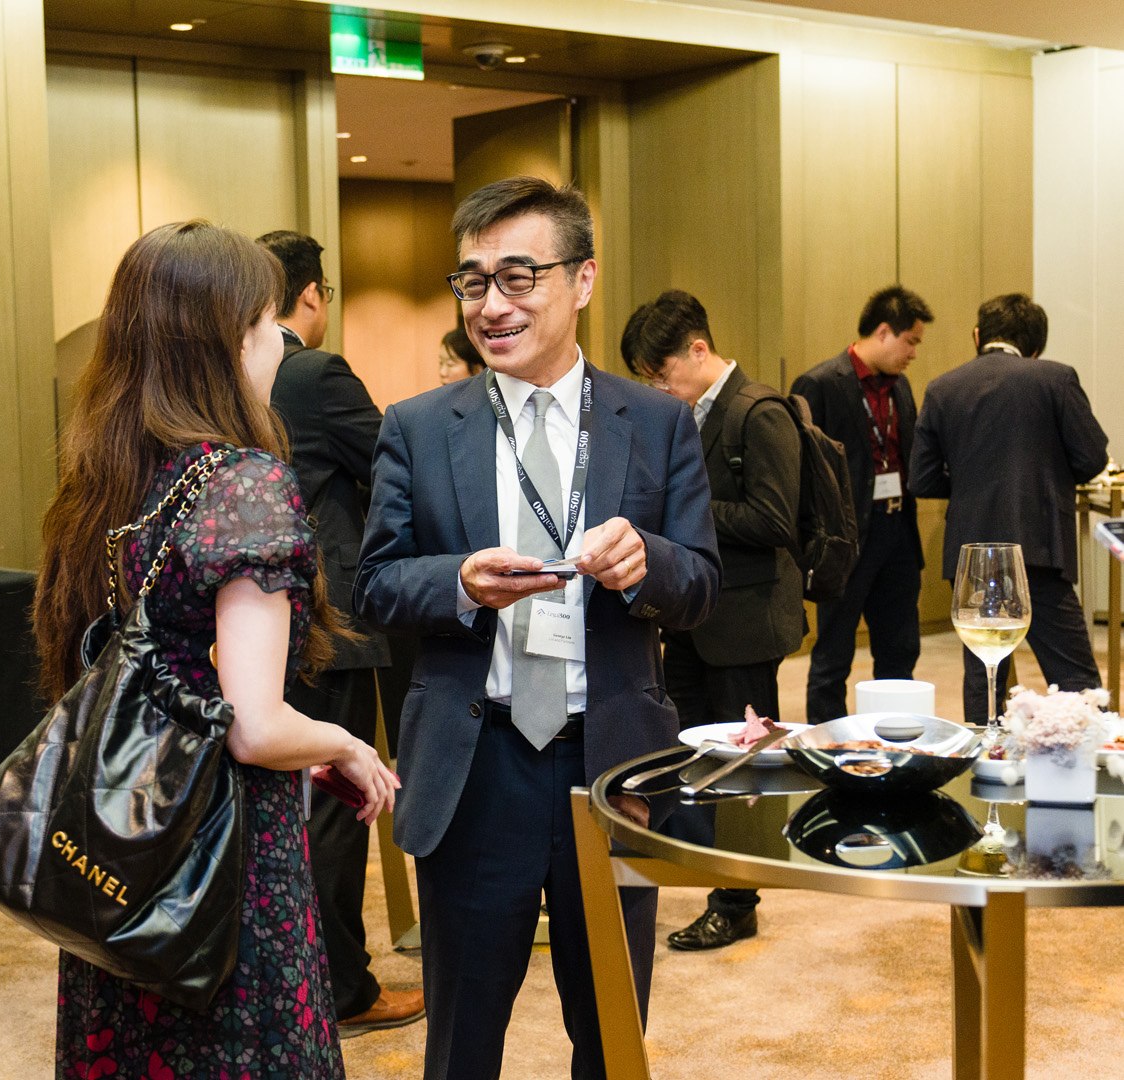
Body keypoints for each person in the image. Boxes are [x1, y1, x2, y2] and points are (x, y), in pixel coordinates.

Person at [355, 176, 721, 1080]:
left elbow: (702, 586)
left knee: (611, 1036)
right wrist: (458, 582)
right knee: (462, 1043)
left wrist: (648, 562)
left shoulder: (658, 423)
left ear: (583, 280)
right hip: (477, 768)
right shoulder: (417, 427)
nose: (493, 305)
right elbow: (374, 586)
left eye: (519, 277)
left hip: (613, 768)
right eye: (473, 282)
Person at [34, 221, 399, 1078]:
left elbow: (152, 672)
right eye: (268, 320)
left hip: (125, 845)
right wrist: (346, 743)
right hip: (221, 864)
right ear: (232, 340)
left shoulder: (104, 476)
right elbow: (255, 727)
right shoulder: (243, 483)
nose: (278, 341)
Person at [256, 229, 426, 1034]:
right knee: (336, 808)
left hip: (257, 618)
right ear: (311, 295)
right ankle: (343, 990)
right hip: (329, 621)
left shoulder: (232, 373)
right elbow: (395, 461)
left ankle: (287, 973)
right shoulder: (315, 372)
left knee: (285, 806)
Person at [620, 290, 803, 951]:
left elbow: (775, 518)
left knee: (745, 765)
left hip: (746, 625)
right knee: (691, 754)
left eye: (660, 373)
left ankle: (739, 900)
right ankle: (705, 872)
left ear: (698, 350)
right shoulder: (690, 416)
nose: (656, 388)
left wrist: (686, 515)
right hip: (694, 619)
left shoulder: (759, 412)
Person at [911, 292, 1109, 717]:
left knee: (983, 676)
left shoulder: (942, 387)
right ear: (1035, 347)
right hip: (1038, 545)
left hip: (969, 552)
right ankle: (1086, 753)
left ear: (977, 335)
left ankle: (984, 753)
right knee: (1075, 678)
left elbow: (921, 478)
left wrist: (970, 484)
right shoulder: (1055, 379)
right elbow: (1092, 458)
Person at [791, 285, 932, 724]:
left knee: (900, 649)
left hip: (897, 533)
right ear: (884, 332)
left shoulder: (900, 387)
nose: (914, 353)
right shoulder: (819, 383)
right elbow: (802, 469)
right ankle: (826, 745)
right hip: (846, 539)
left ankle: (894, 739)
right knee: (833, 654)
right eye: (910, 341)